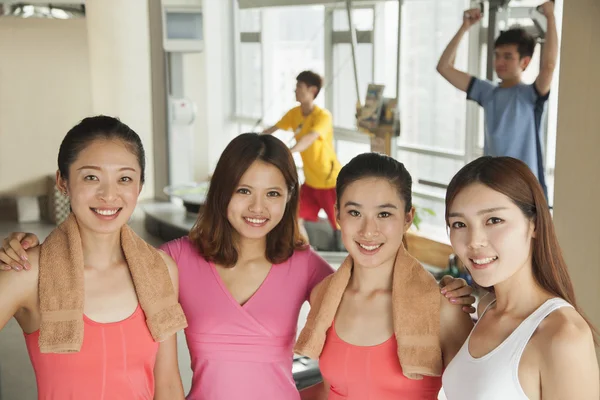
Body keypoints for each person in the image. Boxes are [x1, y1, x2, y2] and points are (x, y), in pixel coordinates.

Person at [0, 134, 474, 400]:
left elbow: (363, 303)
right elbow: (112, 261)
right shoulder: (175, 261)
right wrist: (32, 250)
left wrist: (440, 288)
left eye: (273, 193)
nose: (257, 208)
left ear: (290, 198)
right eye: (243, 190)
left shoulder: (305, 266)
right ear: (222, 191)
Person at [0, 116, 186, 399]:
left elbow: (169, 384)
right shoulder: (27, 271)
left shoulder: (161, 269)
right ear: (62, 182)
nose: (109, 195)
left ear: (140, 185)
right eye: (91, 177)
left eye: (124, 178)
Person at [296, 153, 475, 400]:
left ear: (407, 218)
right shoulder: (324, 297)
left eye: (384, 214)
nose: (368, 231)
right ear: (338, 215)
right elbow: (329, 391)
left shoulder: (442, 307)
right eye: (355, 213)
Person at [441, 156, 599, 400]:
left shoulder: (563, 336)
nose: (474, 241)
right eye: (459, 224)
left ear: (533, 223)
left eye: (494, 220)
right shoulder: (484, 309)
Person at [436, 2, 558, 198]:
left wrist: (551, 17)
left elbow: (549, 65)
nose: (500, 62)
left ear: (524, 62)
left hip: (527, 191)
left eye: (508, 56)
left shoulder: (531, 95)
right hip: (494, 186)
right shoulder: (488, 92)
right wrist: (464, 27)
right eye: (497, 55)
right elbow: (444, 67)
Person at [262, 71, 342, 248]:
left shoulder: (323, 116)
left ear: (312, 90)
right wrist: (254, 142)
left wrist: (289, 152)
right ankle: (306, 252)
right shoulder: (294, 113)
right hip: (310, 183)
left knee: (340, 226)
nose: (295, 90)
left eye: (299, 86)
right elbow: (273, 129)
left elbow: (310, 138)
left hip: (329, 182)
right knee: (295, 217)